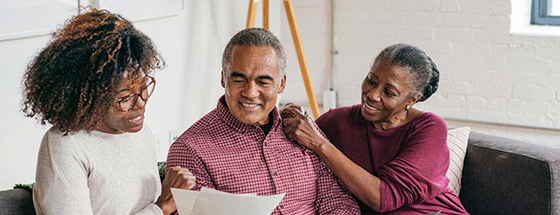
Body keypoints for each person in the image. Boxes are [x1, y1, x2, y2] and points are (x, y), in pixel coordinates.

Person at [166, 28, 359, 214]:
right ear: (223, 78)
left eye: (263, 82)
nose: (250, 93)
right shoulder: (189, 150)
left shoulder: (305, 131)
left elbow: (339, 201)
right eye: (239, 79)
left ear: (281, 84)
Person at [23, 9, 195, 215]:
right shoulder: (65, 145)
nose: (140, 104)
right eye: (124, 98)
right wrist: (162, 208)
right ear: (92, 97)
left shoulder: (142, 135)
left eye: (143, 89)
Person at [281, 44, 469, 214]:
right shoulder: (339, 121)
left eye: (389, 92)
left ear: (412, 99)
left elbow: (384, 198)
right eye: (371, 80)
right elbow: (295, 138)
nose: (372, 95)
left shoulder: (429, 128)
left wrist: (320, 145)